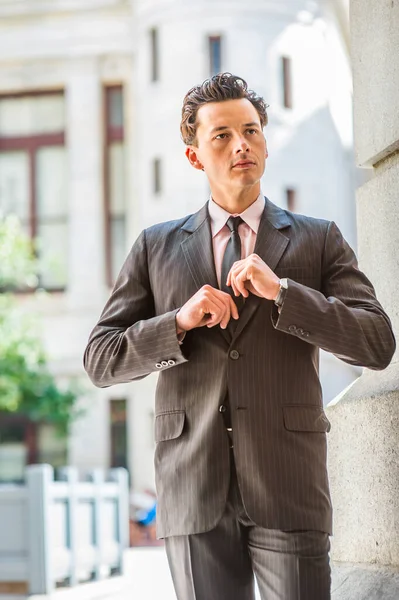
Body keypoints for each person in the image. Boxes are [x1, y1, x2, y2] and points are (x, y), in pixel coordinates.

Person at [83, 73, 395, 600]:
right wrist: (176, 322)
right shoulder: (155, 247)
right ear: (195, 156)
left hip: (288, 483)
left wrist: (284, 293)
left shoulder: (317, 239)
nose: (240, 145)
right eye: (221, 135)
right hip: (191, 485)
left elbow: (376, 343)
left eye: (250, 131)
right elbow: (100, 357)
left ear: (267, 143)